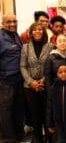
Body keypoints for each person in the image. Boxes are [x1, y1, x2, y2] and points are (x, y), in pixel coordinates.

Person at [20, 22, 54, 142]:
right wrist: (31, 82)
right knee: (35, 116)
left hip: (46, 85)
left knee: (47, 114)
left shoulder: (50, 46)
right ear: (31, 33)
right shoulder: (25, 47)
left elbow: (51, 66)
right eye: (34, 30)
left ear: (43, 32)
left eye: (40, 29)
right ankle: (38, 138)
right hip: (29, 87)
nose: (37, 31)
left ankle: (49, 138)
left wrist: (43, 79)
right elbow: (23, 66)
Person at [0, 14, 25, 142]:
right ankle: (8, 138)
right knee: (6, 109)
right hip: (6, 80)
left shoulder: (16, 35)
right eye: (9, 22)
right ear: (2, 23)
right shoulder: (1, 37)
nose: (13, 24)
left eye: (14, 21)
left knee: (18, 107)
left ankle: (19, 134)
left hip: (18, 79)